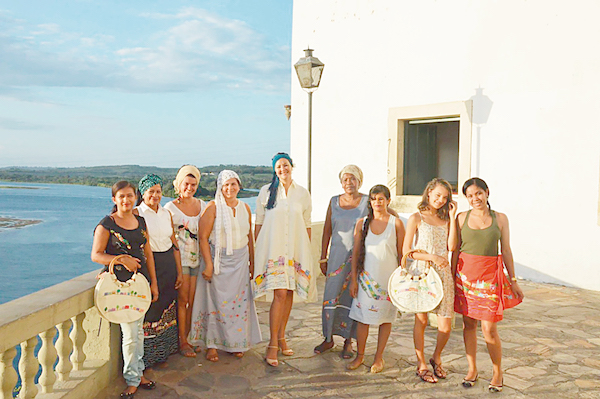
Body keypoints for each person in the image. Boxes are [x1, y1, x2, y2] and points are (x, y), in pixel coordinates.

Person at [453, 177, 524, 393]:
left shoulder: (500, 219)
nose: (475, 198)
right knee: (469, 325)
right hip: (465, 279)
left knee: (489, 328)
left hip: (490, 279)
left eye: (478, 193)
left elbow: (507, 250)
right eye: (470, 195)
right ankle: (472, 369)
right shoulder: (460, 218)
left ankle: (497, 371)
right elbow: (455, 250)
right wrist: (450, 277)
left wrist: (513, 280)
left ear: (487, 192)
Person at [91, 181, 159, 399]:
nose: (126, 200)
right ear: (114, 199)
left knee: (138, 332)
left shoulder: (140, 221)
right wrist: (122, 260)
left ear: (135, 197)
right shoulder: (106, 225)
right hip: (119, 287)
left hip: (140, 284)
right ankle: (132, 378)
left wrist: (154, 283)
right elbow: (96, 254)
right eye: (121, 196)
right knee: (130, 335)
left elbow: (147, 253)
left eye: (130, 196)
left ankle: (138, 374)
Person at [189, 170, 262, 361]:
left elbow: (249, 238)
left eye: (233, 184)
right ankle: (212, 345)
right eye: (226, 185)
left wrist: (252, 263)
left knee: (237, 305)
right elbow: (203, 238)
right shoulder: (213, 207)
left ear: (239, 185)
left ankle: (235, 343)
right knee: (214, 303)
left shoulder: (245, 207)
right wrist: (209, 265)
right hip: (217, 261)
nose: (230, 188)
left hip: (239, 263)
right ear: (220, 188)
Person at [253, 152, 315, 367]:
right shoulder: (266, 192)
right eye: (278, 166)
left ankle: (281, 337)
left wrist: (305, 253)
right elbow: (259, 225)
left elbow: (306, 224)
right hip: (274, 251)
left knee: (288, 294)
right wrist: (256, 253)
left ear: (291, 166)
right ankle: (272, 343)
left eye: (285, 165)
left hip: (295, 252)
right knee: (279, 293)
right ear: (274, 169)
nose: (282, 169)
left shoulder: (302, 194)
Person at [402, 178, 458, 383]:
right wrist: (431, 257)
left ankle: (436, 357)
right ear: (428, 193)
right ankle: (422, 363)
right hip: (423, 273)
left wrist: (452, 217)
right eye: (437, 195)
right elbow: (407, 252)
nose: (440, 200)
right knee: (422, 320)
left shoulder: (447, 219)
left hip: (443, 274)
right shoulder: (416, 217)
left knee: (445, 325)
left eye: (445, 197)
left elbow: (451, 247)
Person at [347, 184, 405, 373]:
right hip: (365, 280)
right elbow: (356, 254)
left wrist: (401, 283)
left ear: (388, 200)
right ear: (369, 202)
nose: (377, 202)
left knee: (385, 319)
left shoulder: (395, 223)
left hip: (387, 280)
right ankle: (360, 355)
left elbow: (402, 255)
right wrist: (354, 279)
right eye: (374, 199)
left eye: (381, 199)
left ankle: (379, 358)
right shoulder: (362, 223)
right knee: (362, 319)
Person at [314, 165, 368, 359]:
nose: (348, 183)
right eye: (345, 179)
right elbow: (327, 230)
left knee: (351, 297)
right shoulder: (334, 201)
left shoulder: (367, 201)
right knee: (331, 295)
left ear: (359, 181)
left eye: (352, 179)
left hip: (358, 258)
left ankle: (348, 342)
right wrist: (323, 256)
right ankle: (328, 338)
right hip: (336, 257)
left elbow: (386, 214)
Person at [135, 174, 183, 368]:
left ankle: (164, 352)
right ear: (143, 193)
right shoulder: (137, 213)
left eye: (158, 191)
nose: (155, 195)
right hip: (150, 264)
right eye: (151, 192)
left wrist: (179, 271)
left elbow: (174, 243)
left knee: (166, 307)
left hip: (168, 263)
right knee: (151, 309)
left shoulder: (166, 213)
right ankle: (147, 358)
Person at [164, 165, 206, 357]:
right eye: (186, 184)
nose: (189, 187)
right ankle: (182, 341)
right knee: (183, 300)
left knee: (193, 301)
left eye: (193, 184)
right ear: (178, 185)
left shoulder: (202, 205)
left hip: (198, 259)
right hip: (180, 261)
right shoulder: (170, 208)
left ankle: (190, 337)